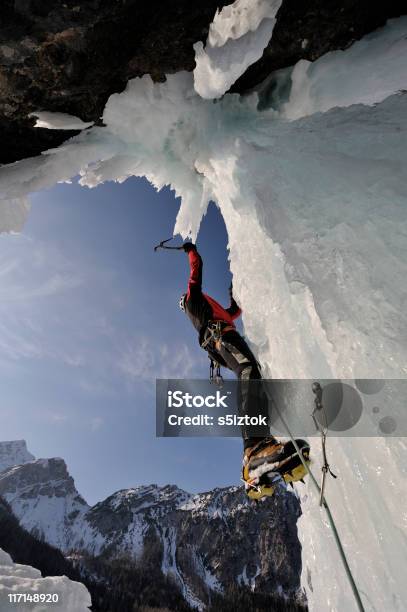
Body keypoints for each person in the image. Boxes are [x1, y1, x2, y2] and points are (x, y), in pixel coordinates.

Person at [179, 242, 289, 500]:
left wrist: (236, 296)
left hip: (224, 337)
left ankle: (258, 457)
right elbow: (196, 273)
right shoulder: (194, 301)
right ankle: (254, 447)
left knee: (252, 373)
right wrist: (191, 250)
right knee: (249, 371)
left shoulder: (211, 308)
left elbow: (233, 313)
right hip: (221, 338)